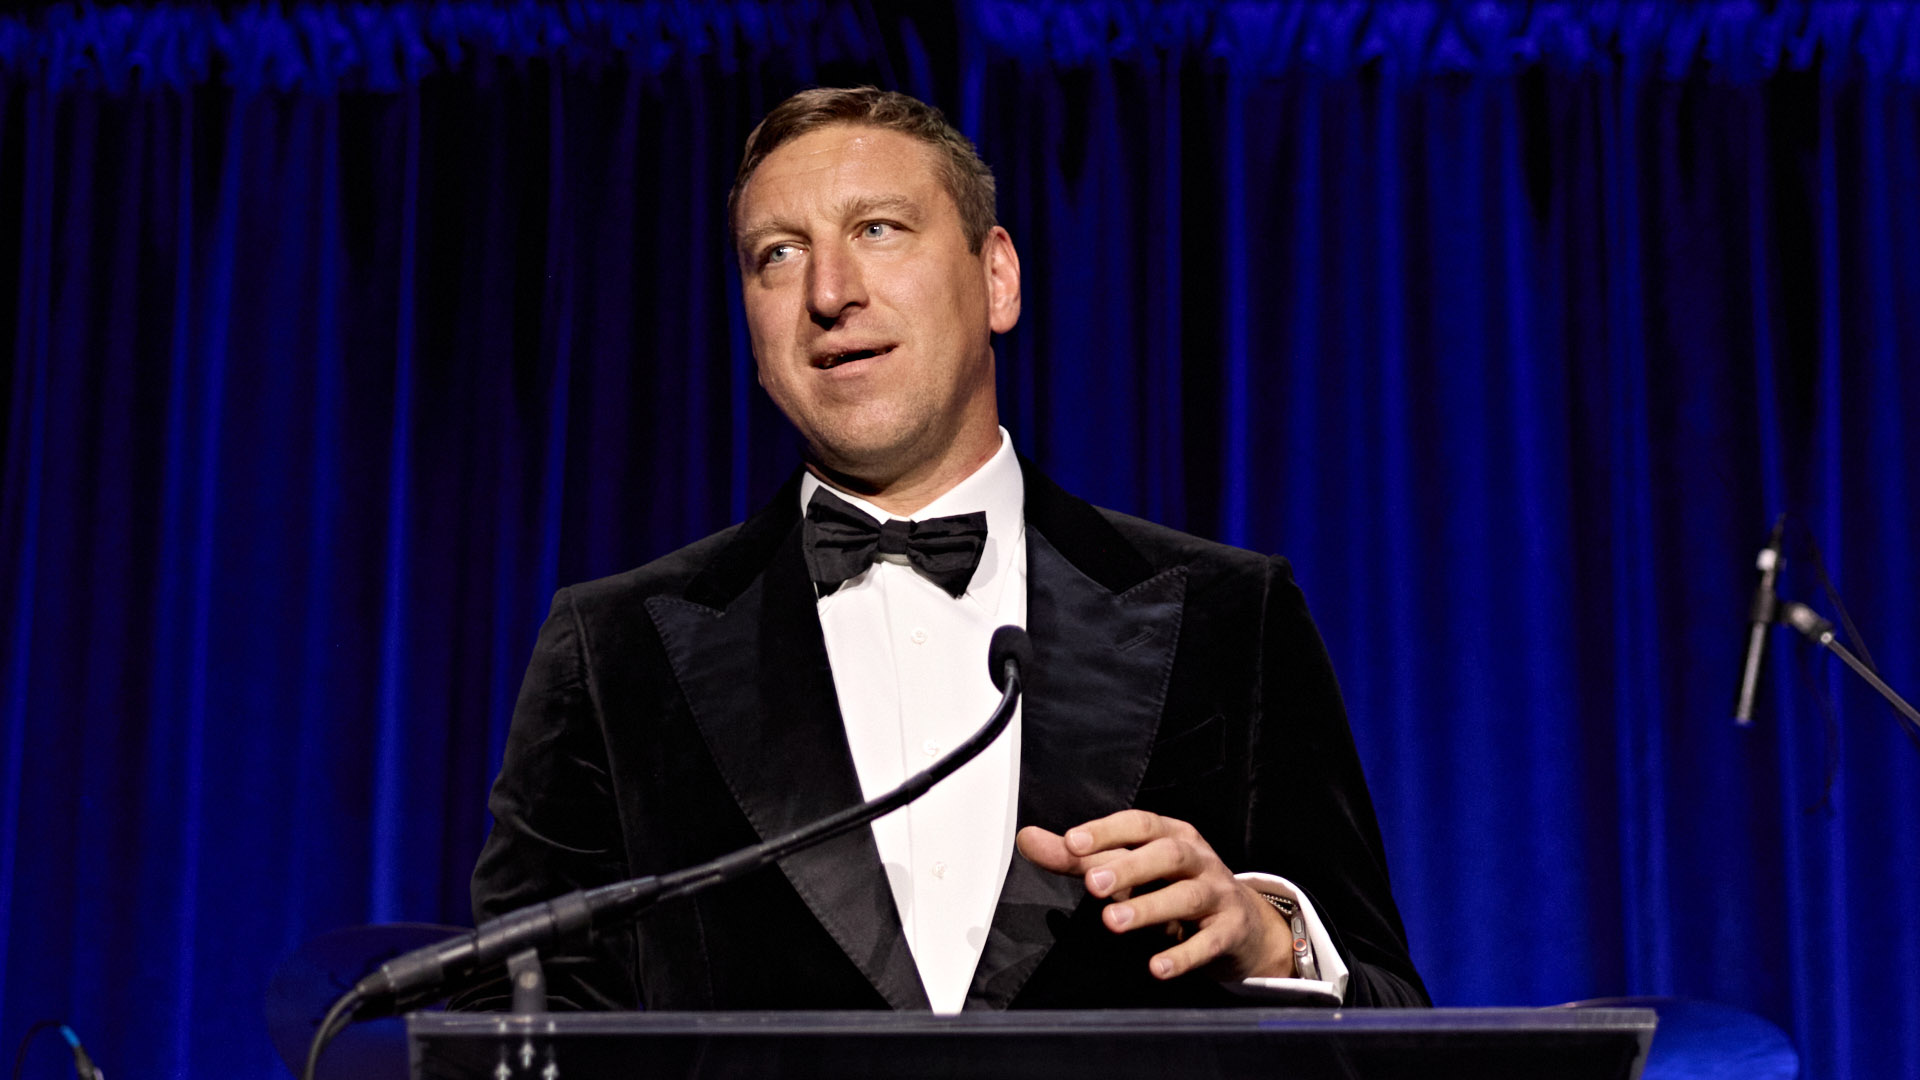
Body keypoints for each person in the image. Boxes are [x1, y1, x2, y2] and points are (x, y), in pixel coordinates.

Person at [461, 87, 1427, 1013]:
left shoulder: (1231, 615)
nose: (829, 293)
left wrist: (1273, 944)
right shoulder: (614, 649)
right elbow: (509, 1023)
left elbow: (1392, 1013)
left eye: (878, 230)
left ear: (997, 278)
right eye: (778, 255)